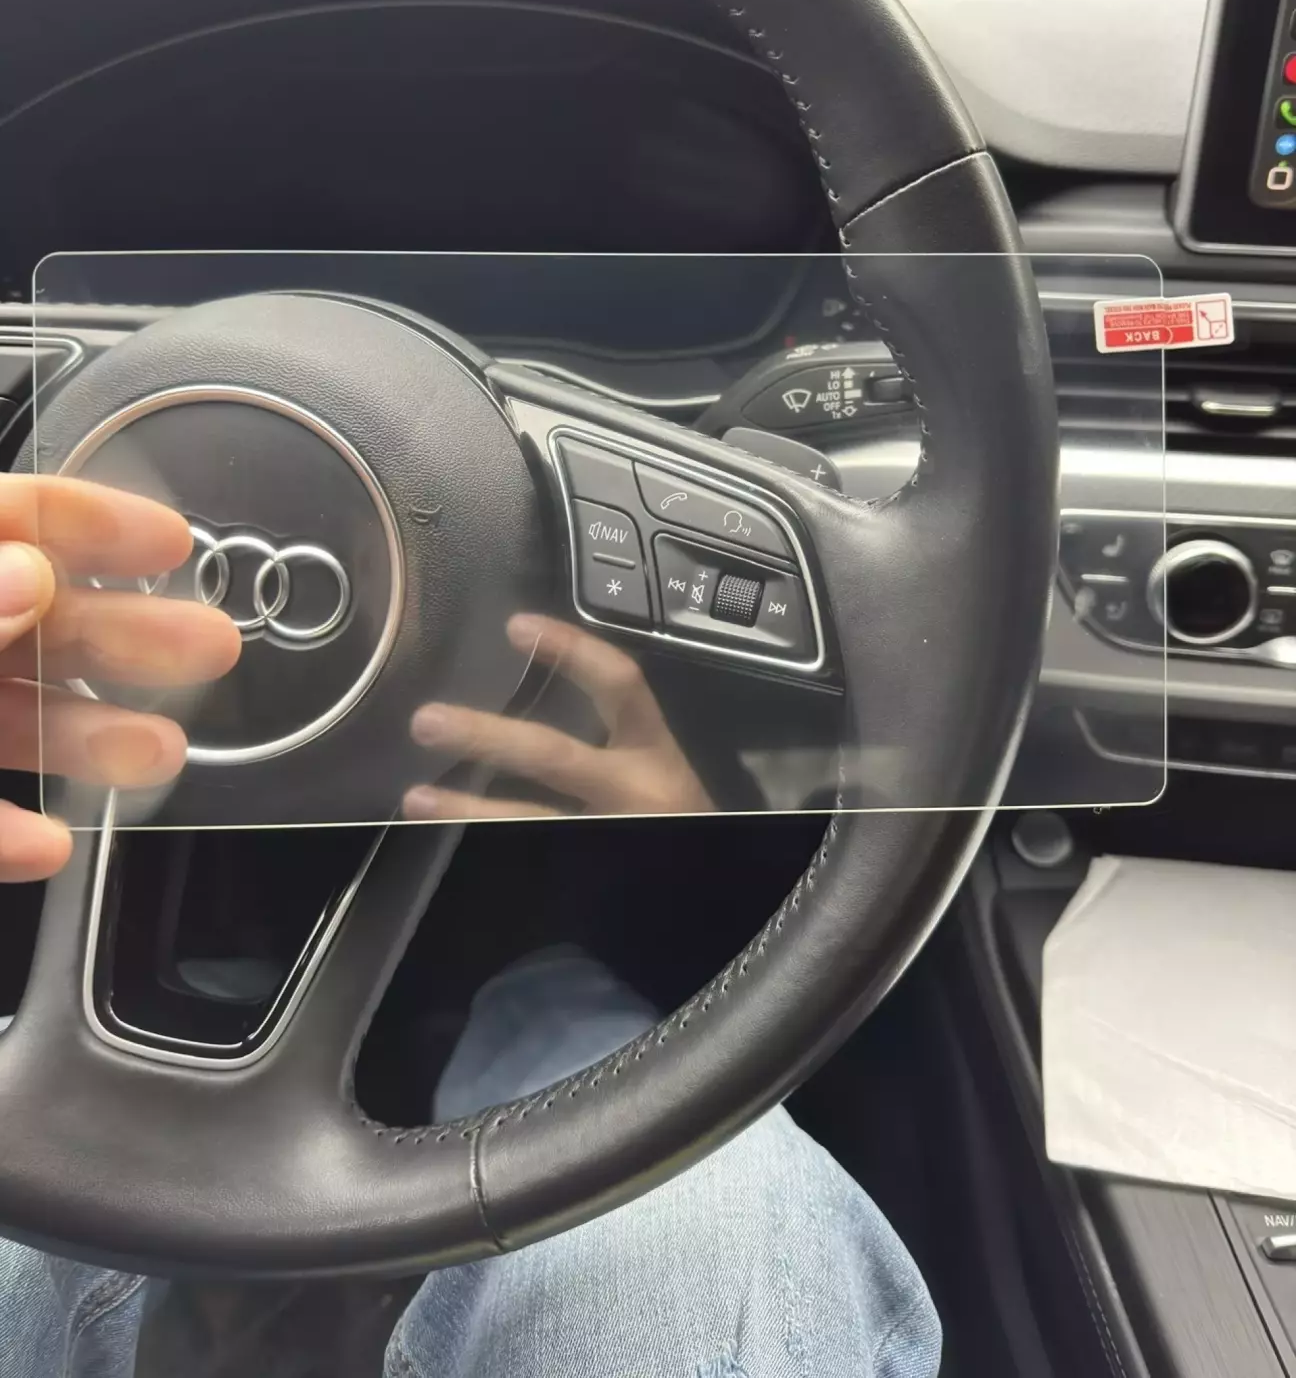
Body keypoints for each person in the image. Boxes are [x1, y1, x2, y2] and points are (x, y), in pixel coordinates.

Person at [0, 473, 940, 1378]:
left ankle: (275, 1003)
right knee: (703, 1190)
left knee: (115, 1062)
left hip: (216, 978)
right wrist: (684, 848)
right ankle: (506, 989)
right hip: (535, 995)